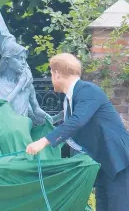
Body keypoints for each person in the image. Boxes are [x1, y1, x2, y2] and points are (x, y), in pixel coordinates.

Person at [26, 53, 129, 211]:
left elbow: (77, 121)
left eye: (51, 73)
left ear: (57, 73)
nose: (51, 78)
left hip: (118, 162)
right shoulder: (71, 98)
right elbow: (69, 124)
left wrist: (43, 141)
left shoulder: (87, 90)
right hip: (104, 165)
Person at [0, 42, 62, 125]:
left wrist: (56, 118)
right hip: (2, 131)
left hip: (22, 131)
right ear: (7, 60)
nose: (23, 62)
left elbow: (35, 113)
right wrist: (19, 86)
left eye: (24, 59)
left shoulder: (27, 87)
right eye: (19, 58)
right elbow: (4, 105)